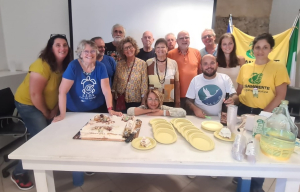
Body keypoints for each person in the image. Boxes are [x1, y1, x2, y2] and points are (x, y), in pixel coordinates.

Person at [12, 34, 72, 190]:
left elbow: (61, 91)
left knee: (47, 135)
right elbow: (35, 95)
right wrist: (47, 113)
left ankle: (41, 162)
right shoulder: (41, 65)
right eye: (57, 45)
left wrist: (55, 109)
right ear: (50, 48)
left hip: (47, 105)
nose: (62, 48)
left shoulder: (64, 65)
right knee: (40, 138)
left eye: (65, 45)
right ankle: (18, 172)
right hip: (28, 104)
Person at [236, 33, 290, 192]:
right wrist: (233, 101)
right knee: (242, 144)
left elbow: (281, 95)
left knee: (259, 149)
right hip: (244, 111)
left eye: (265, 47)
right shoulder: (245, 67)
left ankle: (256, 186)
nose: (260, 51)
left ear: (271, 49)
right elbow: (240, 91)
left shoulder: (278, 68)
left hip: (265, 113)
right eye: (257, 47)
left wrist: (263, 115)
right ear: (252, 49)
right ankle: (239, 178)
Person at [52, 40, 122, 123]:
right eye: (86, 51)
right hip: (74, 111)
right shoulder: (73, 66)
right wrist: (62, 114)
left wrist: (110, 109)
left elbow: (106, 91)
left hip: (97, 109)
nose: (90, 54)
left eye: (92, 51)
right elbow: (62, 91)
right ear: (80, 54)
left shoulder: (101, 67)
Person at [167, 31, 201, 113]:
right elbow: (168, 77)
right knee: (177, 118)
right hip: (177, 96)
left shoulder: (196, 52)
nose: (184, 40)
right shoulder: (170, 54)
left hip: (194, 96)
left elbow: (200, 73)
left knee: (193, 119)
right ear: (177, 41)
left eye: (187, 37)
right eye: (181, 38)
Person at [112, 36, 148, 112]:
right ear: (122, 51)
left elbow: (144, 85)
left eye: (130, 47)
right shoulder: (119, 64)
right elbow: (115, 83)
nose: (128, 50)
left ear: (134, 48)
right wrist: (112, 102)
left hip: (136, 101)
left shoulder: (142, 64)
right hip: (120, 101)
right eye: (125, 48)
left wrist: (143, 102)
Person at [146, 38, 180, 107]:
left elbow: (177, 83)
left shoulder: (173, 63)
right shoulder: (148, 63)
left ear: (167, 49)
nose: (160, 49)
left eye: (163, 47)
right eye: (158, 47)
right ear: (155, 50)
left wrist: (177, 101)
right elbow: (145, 83)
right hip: (153, 102)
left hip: (169, 100)